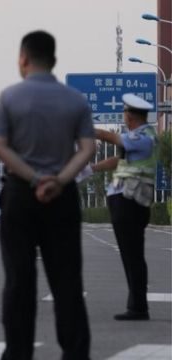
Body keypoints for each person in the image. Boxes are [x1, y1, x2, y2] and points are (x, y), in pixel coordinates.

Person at [0, 30, 96, 360]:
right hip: (62, 199)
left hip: (20, 196)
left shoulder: (9, 97)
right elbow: (87, 149)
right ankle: (75, 353)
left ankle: (19, 354)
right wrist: (59, 180)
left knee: (20, 281)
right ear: (54, 61)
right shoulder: (76, 100)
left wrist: (33, 178)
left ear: (23, 58)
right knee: (67, 282)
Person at [91, 93, 155, 321]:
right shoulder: (135, 136)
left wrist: (92, 130)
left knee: (133, 255)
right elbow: (119, 159)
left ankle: (138, 307)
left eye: (125, 113)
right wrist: (91, 169)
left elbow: (117, 141)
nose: (123, 116)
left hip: (132, 202)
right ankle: (136, 304)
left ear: (130, 116)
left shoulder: (145, 136)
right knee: (130, 255)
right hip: (125, 201)